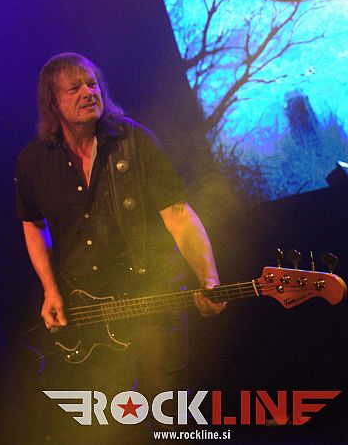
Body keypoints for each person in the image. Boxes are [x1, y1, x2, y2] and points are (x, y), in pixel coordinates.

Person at [14, 53, 226, 401]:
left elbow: (178, 215)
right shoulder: (33, 161)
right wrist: (50, 289)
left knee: (166, 404)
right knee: (115, 413)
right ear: (52, 102)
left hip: (154, 295)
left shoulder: (136, 140)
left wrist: (208, 277)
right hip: (90, 310)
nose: (88, 92)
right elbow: (34, 224)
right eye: (74, 88)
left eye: (92, 84)